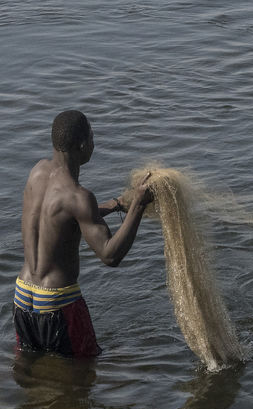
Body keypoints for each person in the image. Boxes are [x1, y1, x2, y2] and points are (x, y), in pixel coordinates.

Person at [13, 110, 154, 358]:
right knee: (85, 369)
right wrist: (138, 206)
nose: (94, 144)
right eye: (92, 138)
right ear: (82, 145)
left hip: (22, 294)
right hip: (57, 302)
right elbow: (110, 255)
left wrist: (115, 205)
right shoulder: (80, 196)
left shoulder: (37, 172)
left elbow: (58, 216)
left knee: (30, 364)